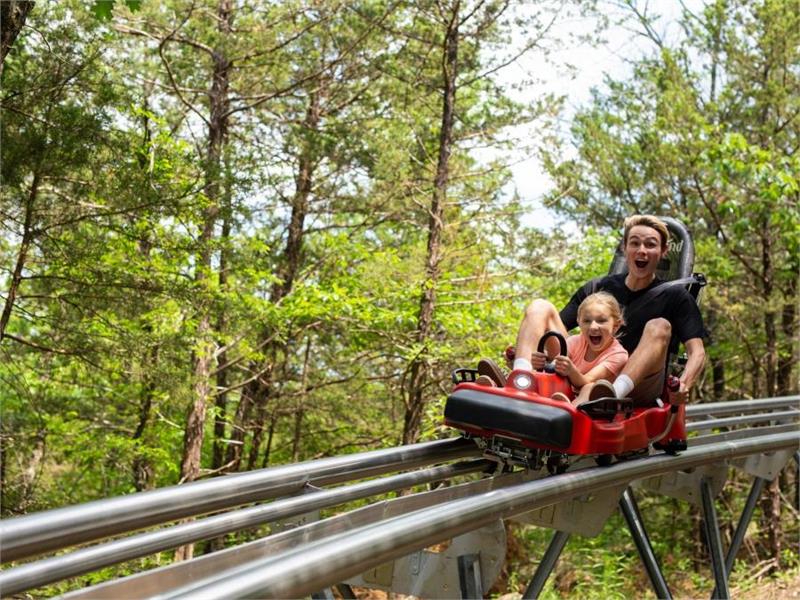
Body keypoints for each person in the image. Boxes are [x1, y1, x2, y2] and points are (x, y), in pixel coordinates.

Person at [512, 215, 706, 406]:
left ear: (663, 251)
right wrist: (535, 354)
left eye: (650, 245)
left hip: (637, 385)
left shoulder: (676, 295)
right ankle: (520, 378)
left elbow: (697, 352)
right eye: (635, 243)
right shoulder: (597, 287)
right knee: (539, 307)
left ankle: (612, 394)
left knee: (659, 325)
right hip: (585, 372)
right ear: (625, 247)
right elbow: (555, 335)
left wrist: (683, 385)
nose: (642, 250)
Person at [529, 292, 628, 404]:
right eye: (587, 321)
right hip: (566, 393)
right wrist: (543, 364)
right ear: (579, 323)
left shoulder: (618, 355)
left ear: (616, 325)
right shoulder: (574, 341)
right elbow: (554, 367)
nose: (593, 327)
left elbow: (585, 381)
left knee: (589, 387)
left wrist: (570, 370)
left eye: (601, 321)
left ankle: (571, 410)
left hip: (596, 402)